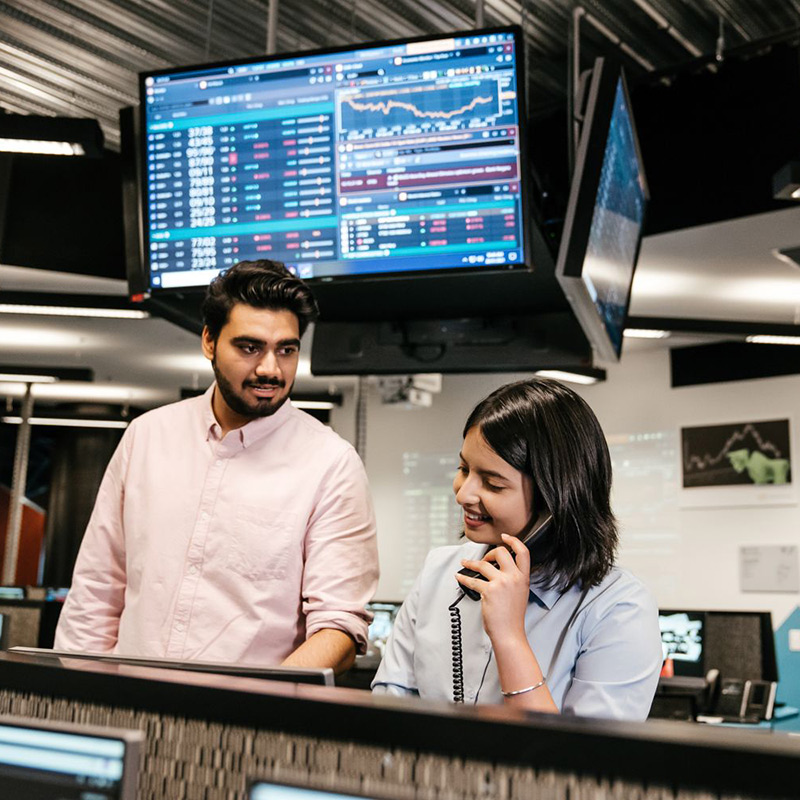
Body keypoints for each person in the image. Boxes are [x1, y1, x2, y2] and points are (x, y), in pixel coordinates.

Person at [55, 260, 379, 672]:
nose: (270, 369)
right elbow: (98, 590)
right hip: (130, 708)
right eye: (249, 347)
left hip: (244, 724)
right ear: (209, 341)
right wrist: (87, 702)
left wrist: (248, 715)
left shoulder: (332, 465)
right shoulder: (146, 437)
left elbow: (337, 627)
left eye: (287, 349)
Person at [372, 378, 662, 719]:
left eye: (493, 483)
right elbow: (390, 706)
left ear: (553, 501)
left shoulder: (617, 609)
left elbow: (585, 763)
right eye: (463, 469)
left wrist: (510, 637)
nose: (463, 493)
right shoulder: (440, 571)